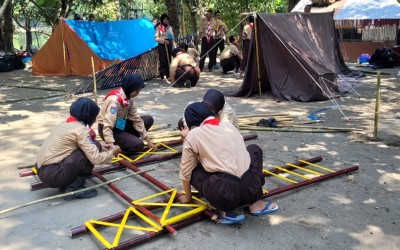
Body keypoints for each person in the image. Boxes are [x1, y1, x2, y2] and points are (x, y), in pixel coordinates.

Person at [178, 102, 279, 224]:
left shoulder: (193, 135)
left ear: (191, 123)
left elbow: (185, 171)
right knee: (254, 149)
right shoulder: (228, 125)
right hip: (251, 187)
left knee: (192, 168)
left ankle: (226, 211)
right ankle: (256, 203)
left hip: (226, 195)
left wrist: (188, 198)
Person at [35, 98, 121, 200]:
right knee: (89, 152)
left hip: (42, 170)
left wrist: (101, 146)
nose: (95, 120)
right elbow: (96, 159)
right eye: (94, 117)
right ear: (88, 116)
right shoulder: (80, 130)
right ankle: (73, 189)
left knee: (96, 145)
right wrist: (112, 152)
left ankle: (66, 182)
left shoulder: (67, 124)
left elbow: (70, 146)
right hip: (52, 176)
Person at [97, 74, 156, 152]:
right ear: (130, 88)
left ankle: (126, 139)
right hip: (108, 130)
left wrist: (147, 139)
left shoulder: (128, 99)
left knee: (148, 119)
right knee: (139, 144)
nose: (138, 94)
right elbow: (107, 126)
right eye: (137, 91)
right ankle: (123, 143)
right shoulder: (114, 101)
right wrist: (112, 147)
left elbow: (136, 119)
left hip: (119, 125)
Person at [155, 14, 174, 81]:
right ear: (162, 20)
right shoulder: (158, 27)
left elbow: (171, 36)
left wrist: (170, 40)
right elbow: (156, 38)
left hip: (169, 44)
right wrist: (163, 40)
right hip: (162, 44)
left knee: (169, 59)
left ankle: (168, 74)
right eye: (164, 19)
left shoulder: (169, 27)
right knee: (163, 59)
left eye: (167, 19)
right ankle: (162, 75)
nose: (166, 21)